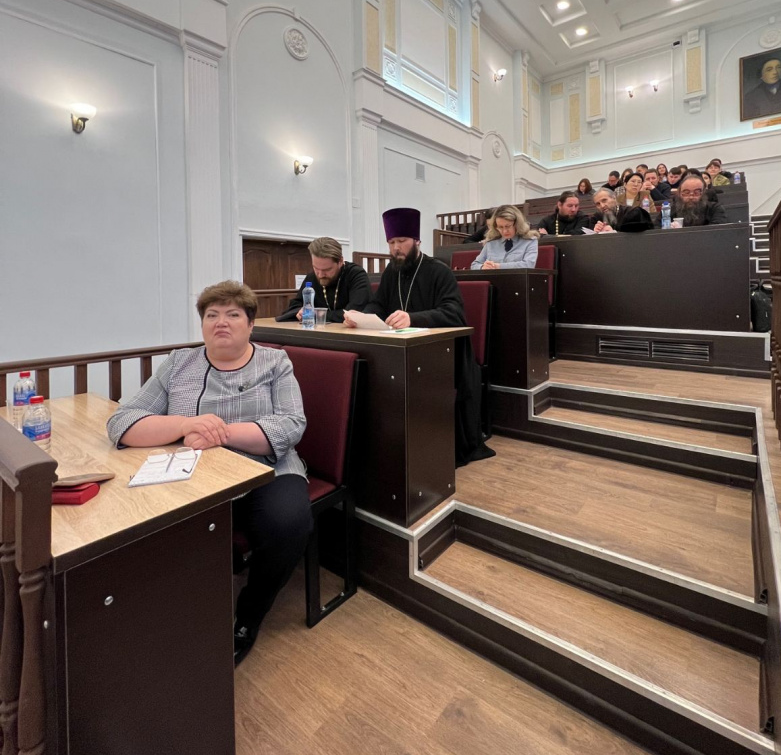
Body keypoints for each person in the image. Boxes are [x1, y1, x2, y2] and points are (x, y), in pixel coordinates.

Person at [107, 280, 312, 664]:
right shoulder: (179, 363)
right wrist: (185, 425)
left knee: (289, 524)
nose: (221, 322)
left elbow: (290, 425)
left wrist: (222, 433)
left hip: (266, 470)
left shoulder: (275, 362)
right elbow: (123, 421)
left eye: (233, 314)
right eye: (212, 315)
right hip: (195, 474)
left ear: (251, 325)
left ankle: (248, 616)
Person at [348, 207, 494, 466]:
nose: (396, 248)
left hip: (441, 354)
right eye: (391, 242)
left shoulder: (439, 271)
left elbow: (454, 313)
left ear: (416, 241)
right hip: (401, 351)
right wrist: (360, 317)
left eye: (402, 241)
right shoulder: (392, 272)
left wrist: (413, 318)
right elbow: (378, 304)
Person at [276, 237, 371, 322]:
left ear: (340, 262)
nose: (321, 275)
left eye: (327, 270)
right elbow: (294, 307)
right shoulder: (312, 277)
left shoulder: (356, 275)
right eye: (316, 268)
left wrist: (315, 314)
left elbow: (354, 314)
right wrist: (301, 311)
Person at [472, 205, 538, 269]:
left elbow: (528, 265)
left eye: (508, 226)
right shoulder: (491, 242)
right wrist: (482, 267)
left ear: (517, 224)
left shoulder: (530, 241)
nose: (504, 231)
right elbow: (474, 265)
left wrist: (498, 266)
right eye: (500, 227)